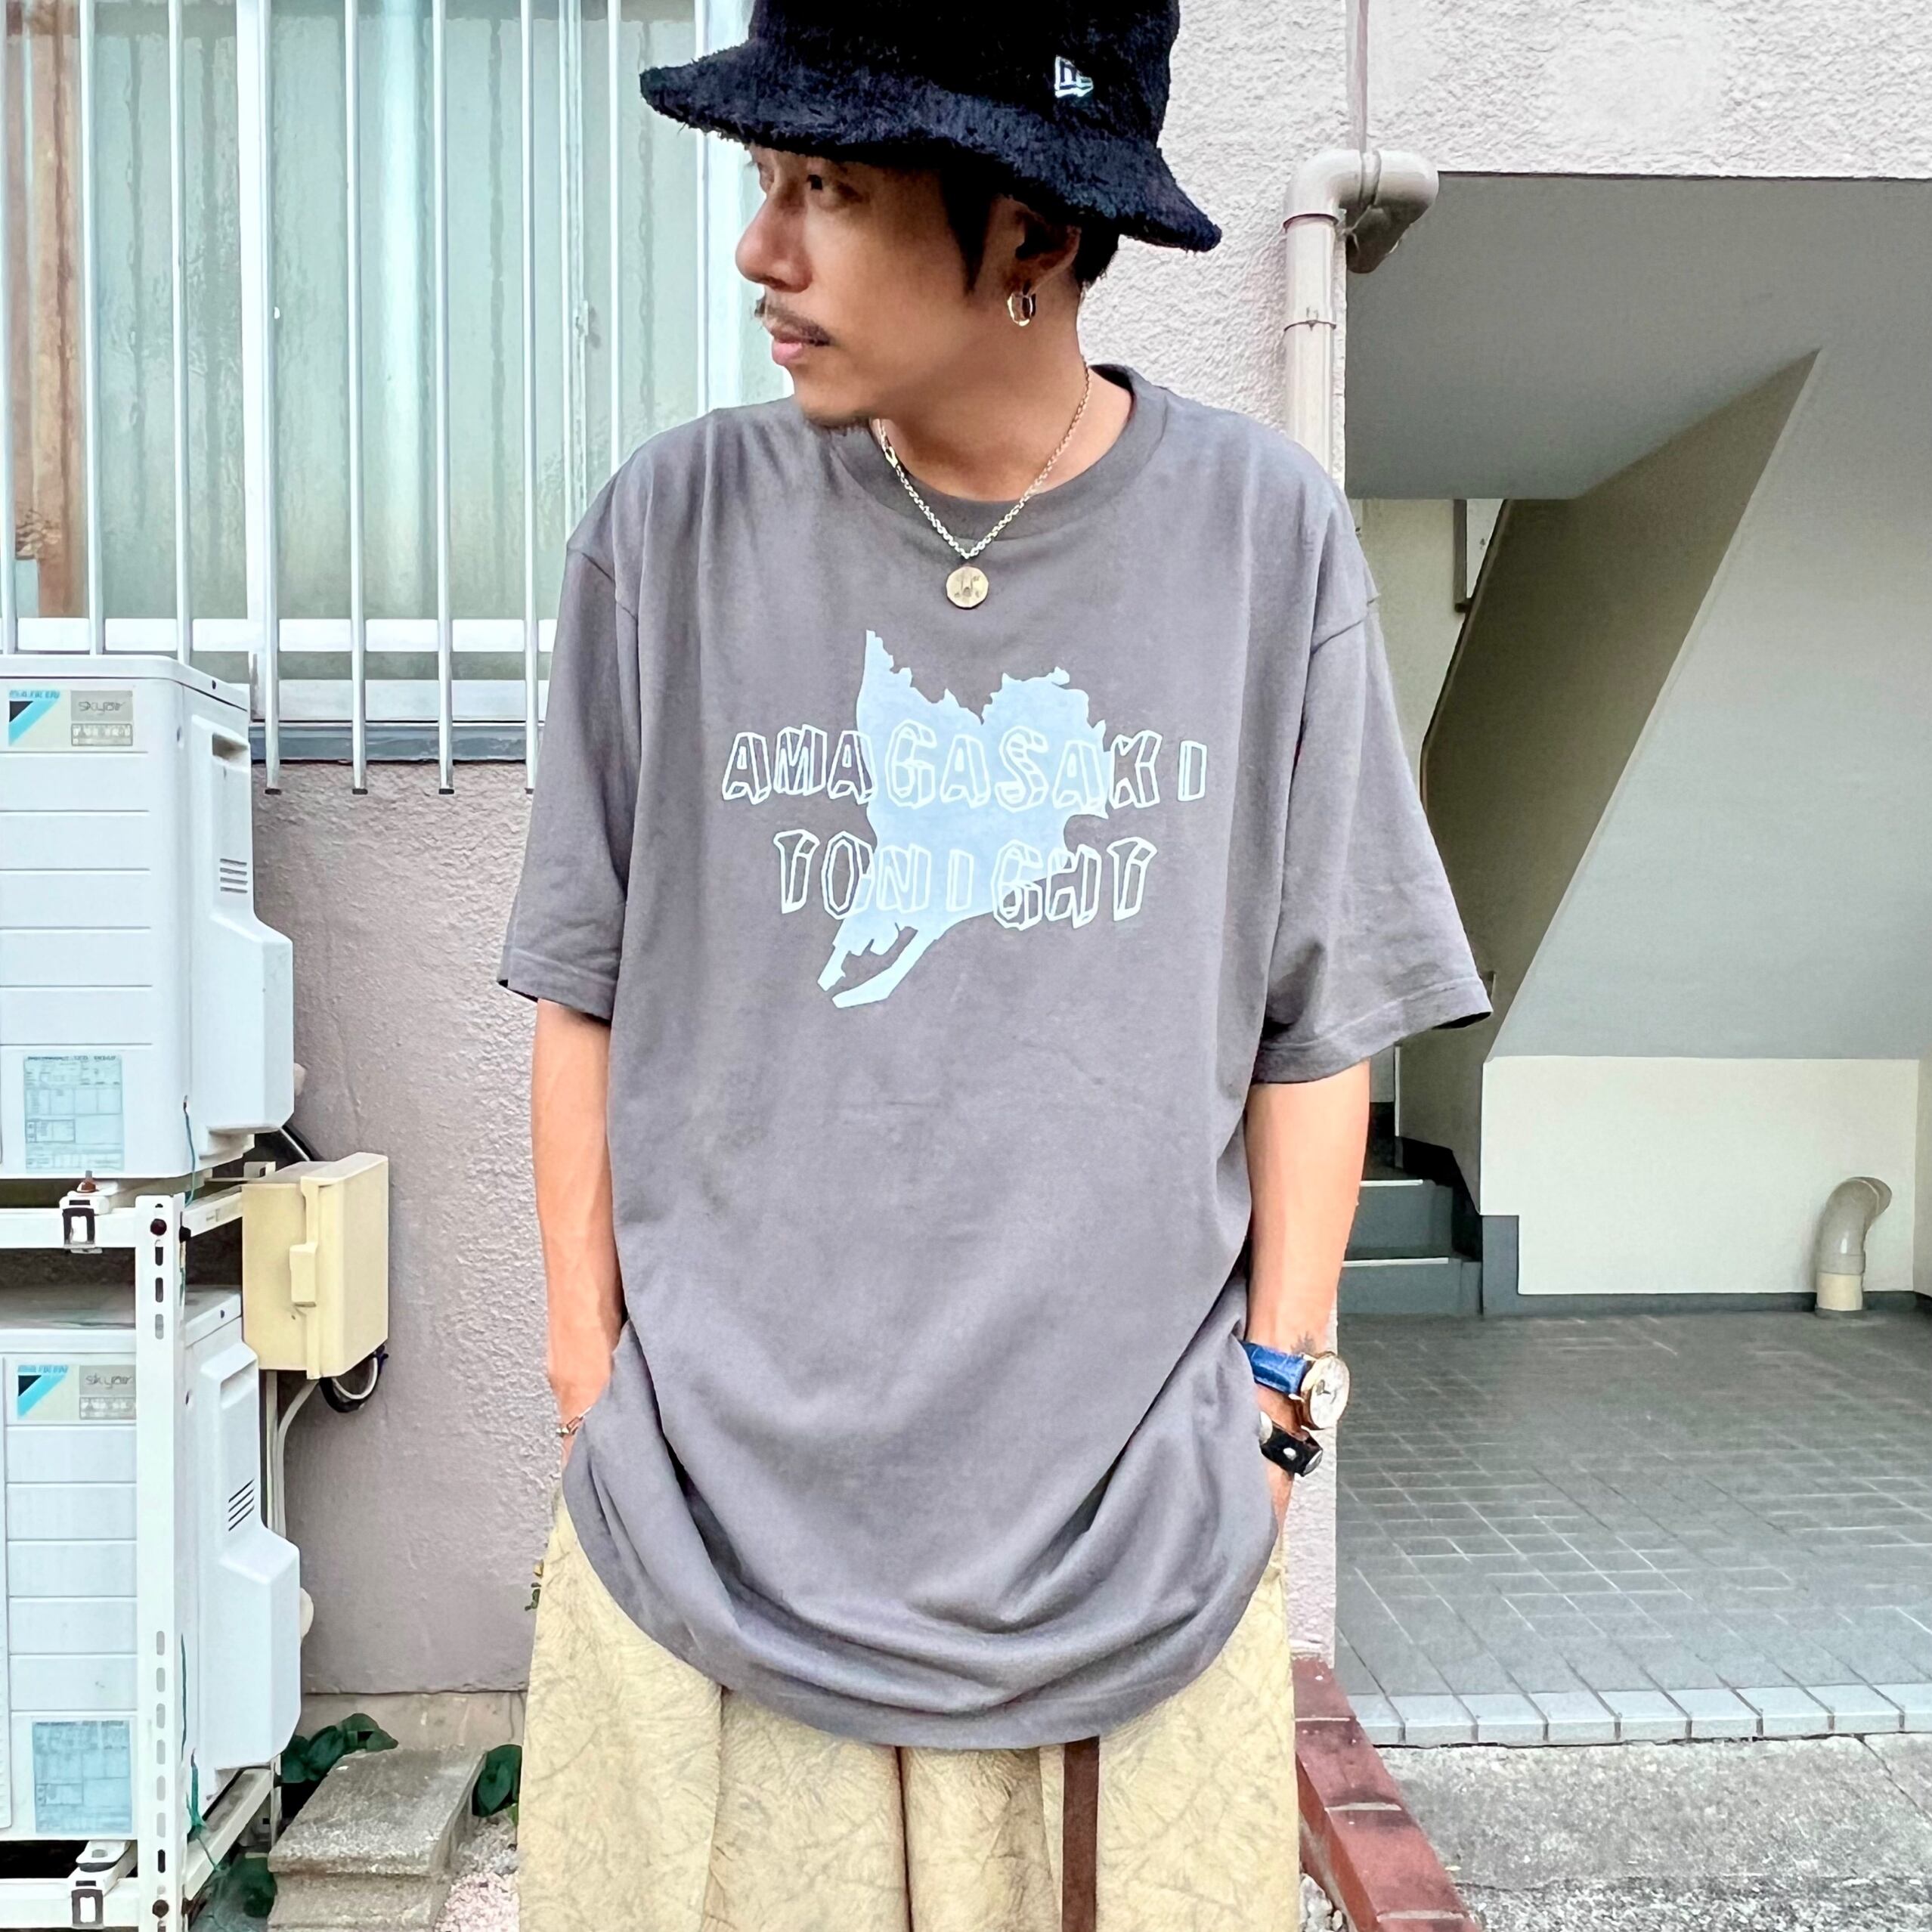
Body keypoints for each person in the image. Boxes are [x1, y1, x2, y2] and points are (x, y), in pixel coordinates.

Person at [497, 5, 1489, 1927]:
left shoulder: (1257, 536)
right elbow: (580, 983)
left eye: (829, 189)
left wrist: (1277, 1416)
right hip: (710, 1546)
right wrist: (585, 1382)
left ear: (1033, 229)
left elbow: (1319, 1023)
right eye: (766, 181)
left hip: (1131, 1556)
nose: (760, 250)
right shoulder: (671, 531)